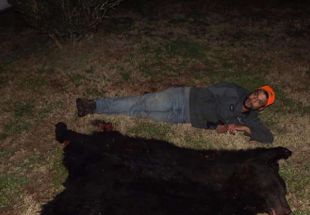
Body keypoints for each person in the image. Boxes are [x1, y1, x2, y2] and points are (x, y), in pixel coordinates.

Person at [76, 82, 276, 143]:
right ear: (253, 91)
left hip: (184, 118)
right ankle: (93, 106)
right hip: (183, 98)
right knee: (141, 102)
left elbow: (268, 138)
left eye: (259, 101)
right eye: (256, 94)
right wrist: (224, 118)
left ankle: (100, 107)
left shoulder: (250, 119)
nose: (254, 99)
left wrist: (238, 127)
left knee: (141, 113)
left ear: (262, 107)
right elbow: (207, 94)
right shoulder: (234, 91)